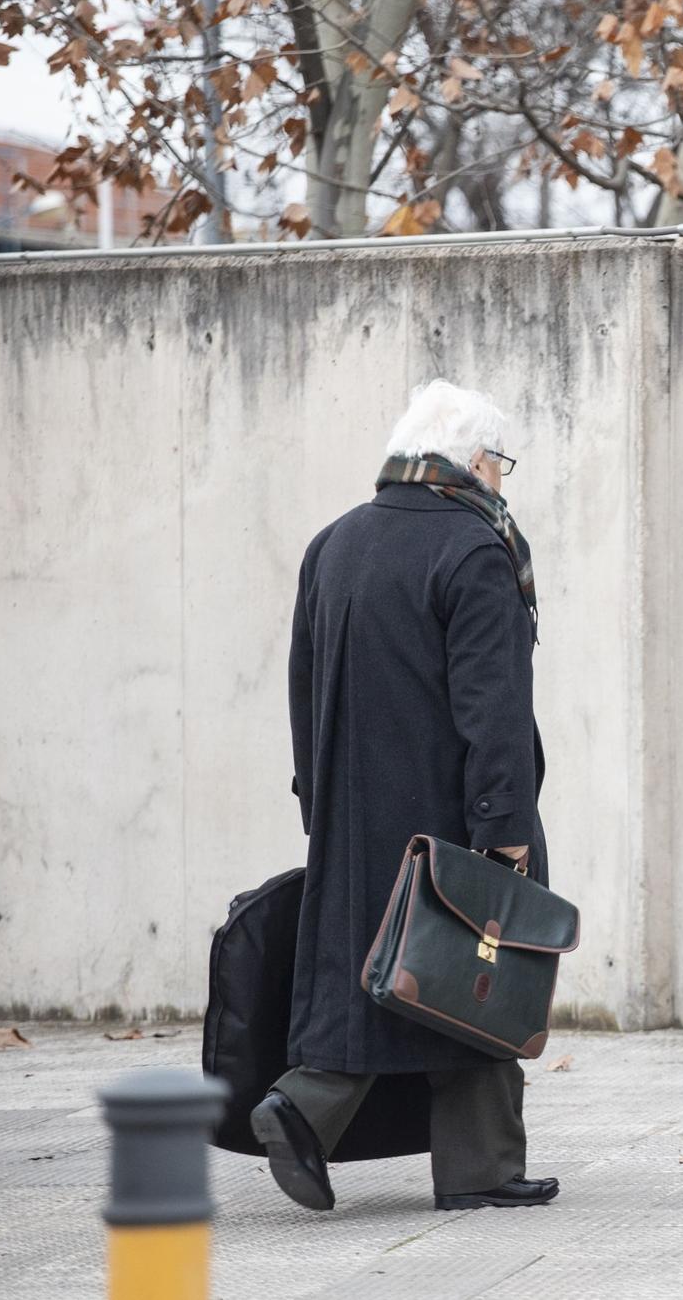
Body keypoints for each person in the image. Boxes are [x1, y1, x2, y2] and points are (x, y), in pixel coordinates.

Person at [251, 380, 560, 1212]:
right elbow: (492, 708)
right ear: (475, 462)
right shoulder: (473, 550)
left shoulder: (334, 543)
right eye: (504, 465)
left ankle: (462, 1162)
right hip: (452, 815)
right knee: (480, 980)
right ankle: (451, 1158)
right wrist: (505, 828)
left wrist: (318, 804)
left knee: (381, 978)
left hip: (354, 819)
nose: (505, 482)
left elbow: (301, 688)